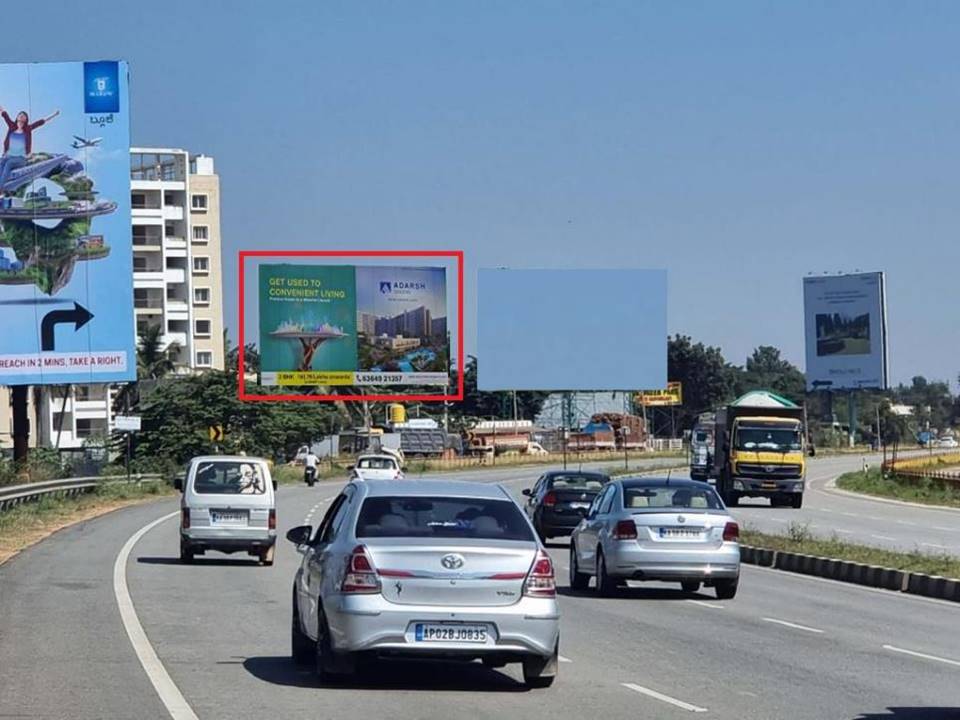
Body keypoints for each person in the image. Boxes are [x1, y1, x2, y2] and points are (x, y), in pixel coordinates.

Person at [0, 106, 60, 194]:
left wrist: (54, 114)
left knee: (8, 163)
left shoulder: (28, 129)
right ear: (17, 117)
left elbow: (41, 122)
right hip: (8, 156)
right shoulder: (11, 126)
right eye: (20, 114)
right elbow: (4, 113)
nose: (21, 116)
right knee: (2, 162)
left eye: (23, 115)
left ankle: (0, 189)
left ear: (25, 119)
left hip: (20, 159)